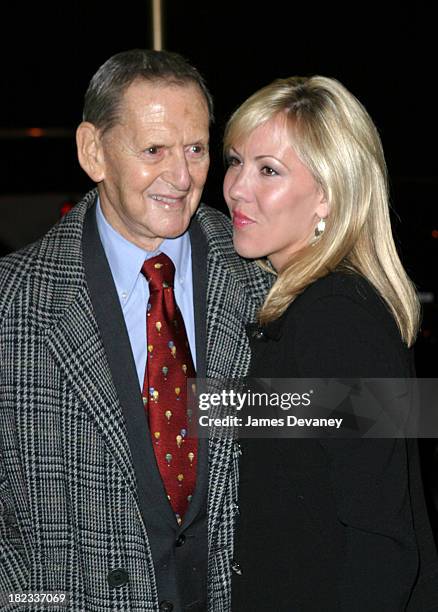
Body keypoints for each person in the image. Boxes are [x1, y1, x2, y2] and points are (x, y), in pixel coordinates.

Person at [0, 50, 270, 611]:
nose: (182, 176)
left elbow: (359, 427)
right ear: (92, 151)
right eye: (154, 151)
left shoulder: (263, 275)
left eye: (195, 149)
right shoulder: (13, 301)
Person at [223, 76, 438, 610]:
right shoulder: (318, 305)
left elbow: (385, 540)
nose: (235, 189)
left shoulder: (336, 317)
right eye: (234, 161)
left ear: (327, 194)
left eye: (268, 170)